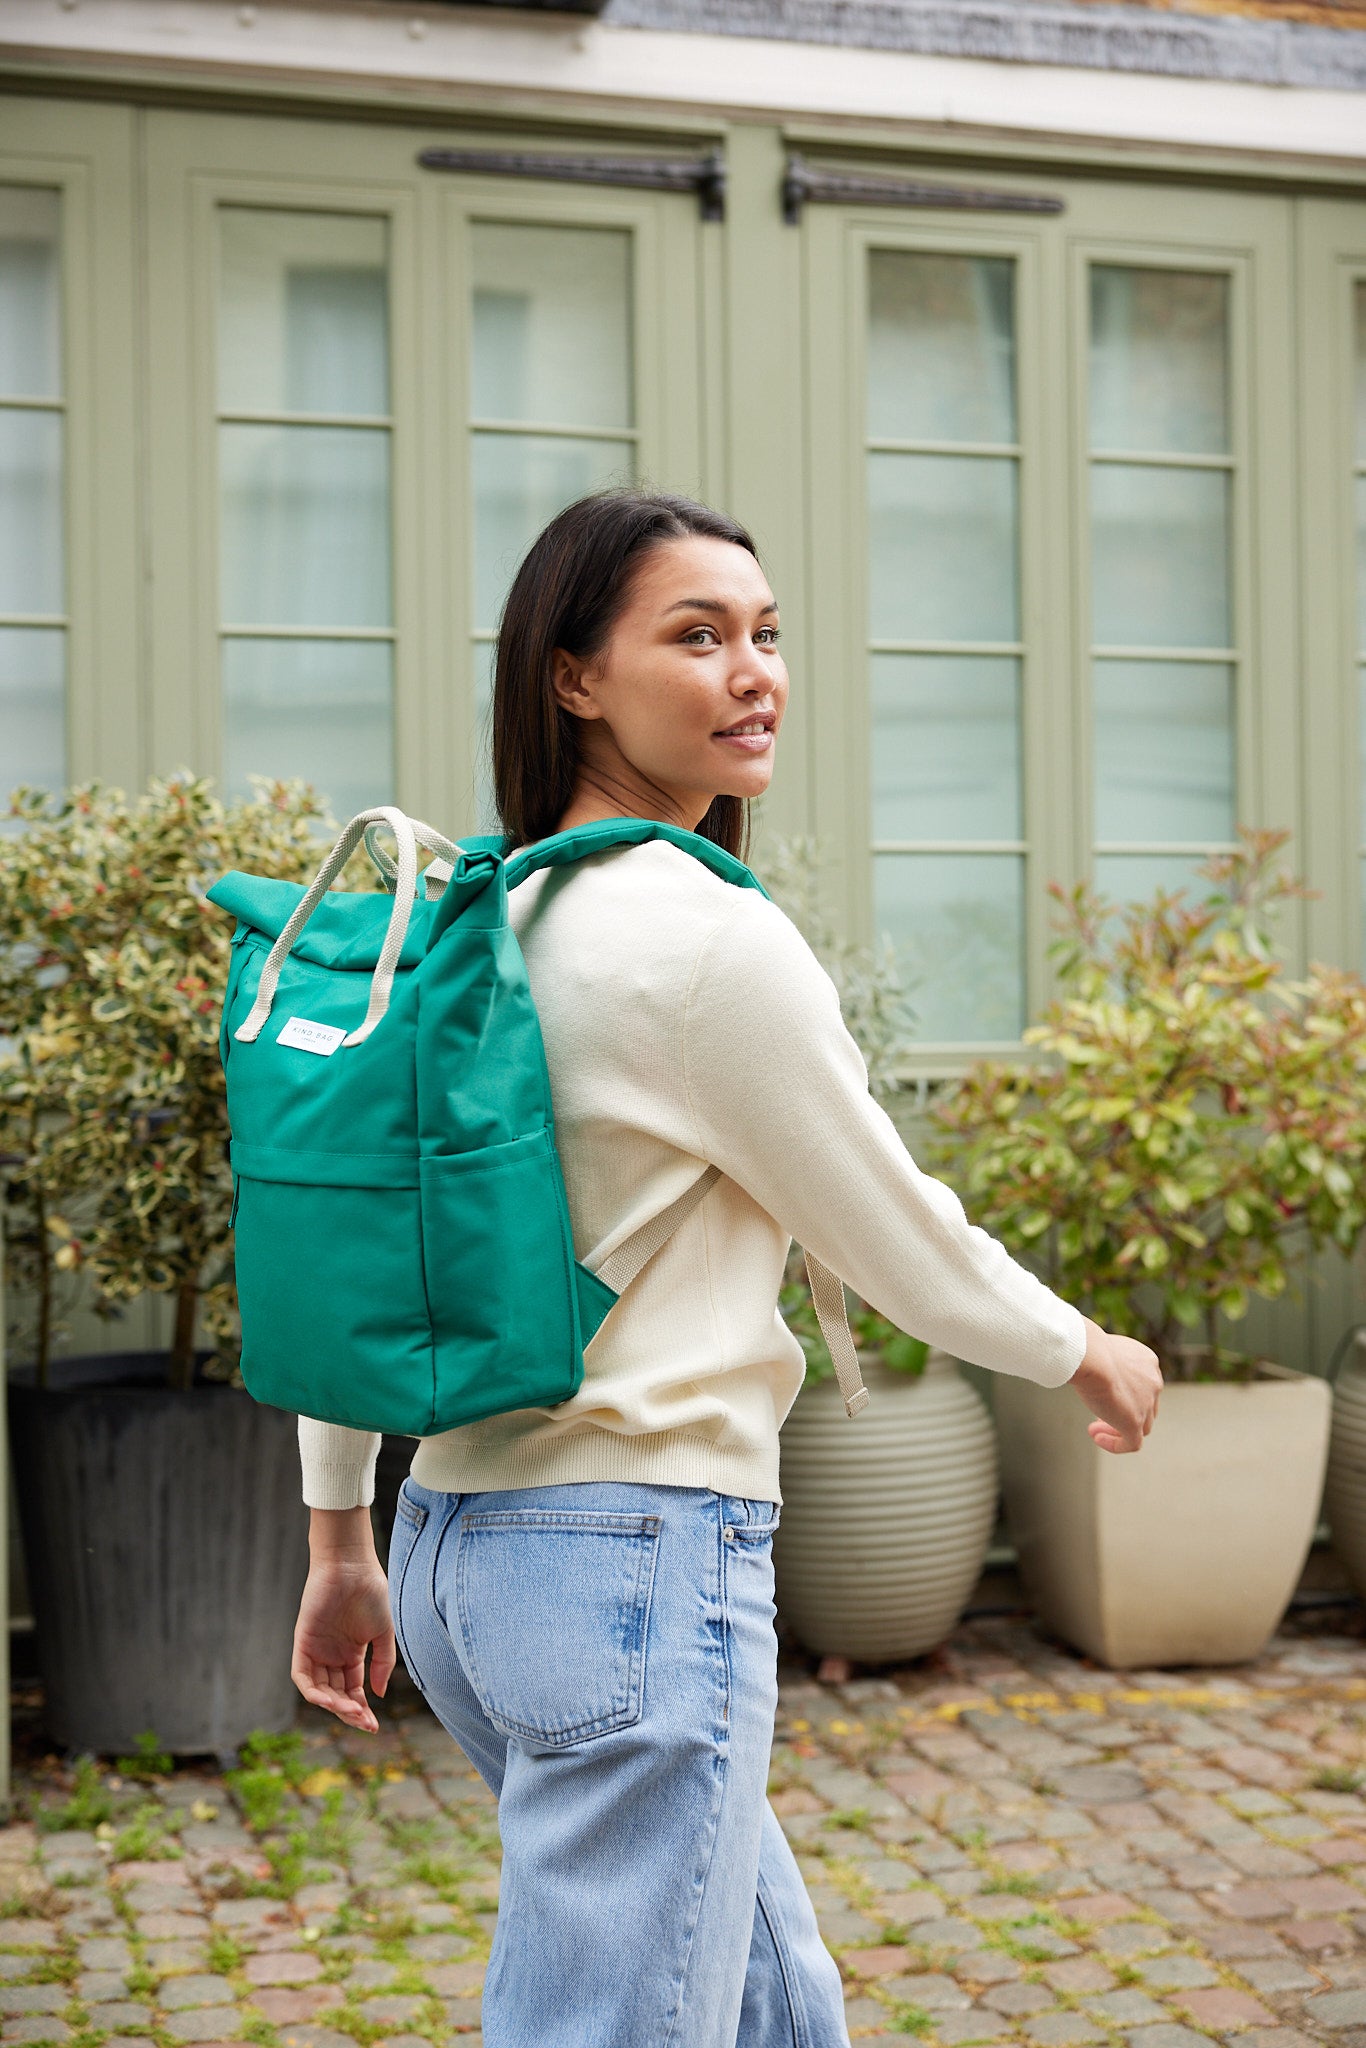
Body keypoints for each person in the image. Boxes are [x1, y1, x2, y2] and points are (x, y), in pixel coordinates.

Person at [288, 487, 1162, 2048]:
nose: (751, 670)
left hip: (459, 1559)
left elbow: (363, 1251)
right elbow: (883, 1222)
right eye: (695, 636)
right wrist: (1077, 1346)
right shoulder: (699, 937)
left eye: (764, 634)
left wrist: (339, 1531)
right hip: (628, 1557)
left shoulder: (465, 924)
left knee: (766, 1999)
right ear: (573, 678)